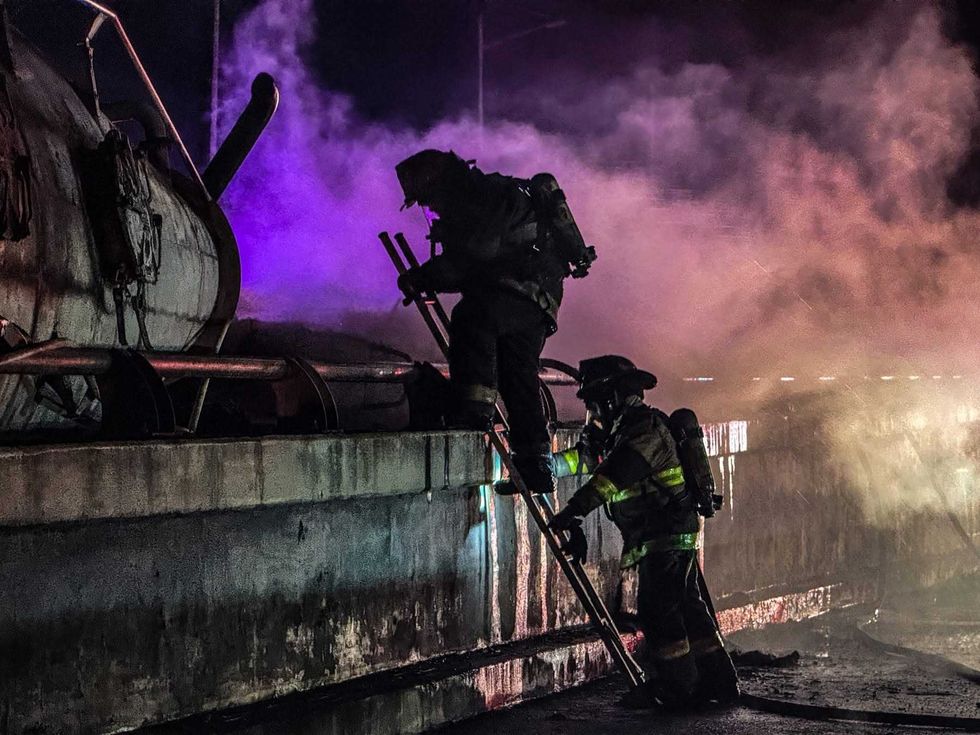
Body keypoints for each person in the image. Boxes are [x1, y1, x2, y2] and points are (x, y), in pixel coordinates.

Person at [549, 355, 739, 708]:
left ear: (613, 398)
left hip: (664, 531)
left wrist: (571, 512)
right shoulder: (622, 434)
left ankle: (678, 687)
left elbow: (613, 476)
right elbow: (584, 460)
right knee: (689, 607)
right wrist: (548, 465)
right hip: (661, 533)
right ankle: (719, 681)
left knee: (658, 611)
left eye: (594, 403)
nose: (592, 412)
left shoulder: (645, 431)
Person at [395, 149, 589, 494]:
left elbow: (472, 257)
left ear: (440, 184)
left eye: (427, 199)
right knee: (518, 376)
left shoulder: (482, 199)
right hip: (538, 298)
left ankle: (474, 409)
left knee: (472, 319)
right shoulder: (489, 195)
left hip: (520, 290)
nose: (431, 209)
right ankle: (536, 466)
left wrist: (423, 277)